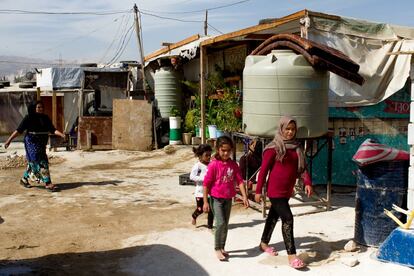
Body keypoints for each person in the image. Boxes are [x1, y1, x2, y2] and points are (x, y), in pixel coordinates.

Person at [254, 116, 313, 269]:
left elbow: (303, 169)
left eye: (293, 129)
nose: (290, 132)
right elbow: (264, 171)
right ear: (281, 129)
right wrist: (258, 190)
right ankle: (292, 256)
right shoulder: (273, 147)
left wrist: (307, 183)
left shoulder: (297, 147)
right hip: (274, 191)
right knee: (288, 219)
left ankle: (263, 243)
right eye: (287, 129)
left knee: (273, 217)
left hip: (287, 191)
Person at [203, 136, 250, 261]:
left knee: (225, 225)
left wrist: (245, 197)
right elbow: (206, 184)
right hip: (216, 199)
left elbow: (240, 181)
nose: (225, 153)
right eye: (223, 150)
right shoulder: (213, 165)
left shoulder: (233, 165)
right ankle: (217, 248)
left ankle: (223, 247)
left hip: (228, 199)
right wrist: (205, 201)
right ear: (218, 149)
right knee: (220, 223)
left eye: (228, 150)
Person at [4, 100, 65, 192]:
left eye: (41, 107)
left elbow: (52, 129)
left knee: (33, 162)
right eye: (38, 107)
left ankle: (24, 179)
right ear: (34, 108)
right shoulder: (28, 118)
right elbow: (19, 130)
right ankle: (48, 183)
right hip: (31, 141)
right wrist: (9, 140)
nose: (41, 109)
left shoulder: (45, 118)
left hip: (41, 142)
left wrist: (61, 134)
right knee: (40, 161)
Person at [190, 144, 214, 229]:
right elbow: (192, 177)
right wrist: (204, 179)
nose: (208, 157)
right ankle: (194, 216)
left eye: (209, 155)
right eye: (206, 155)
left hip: (210, 192)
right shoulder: (198, 166)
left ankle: (210, 226)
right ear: (200, 156)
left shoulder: (211, 164)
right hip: (200, 192)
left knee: (211, 210)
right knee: (200, 209)